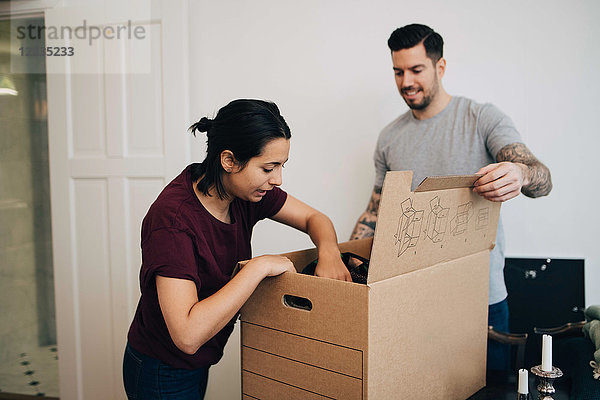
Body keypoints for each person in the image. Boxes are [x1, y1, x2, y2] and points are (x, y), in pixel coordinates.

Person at [349, 24, 552, 371]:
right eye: (398, 72)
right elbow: (375, 211)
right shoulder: (389, 139)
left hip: (480, 300)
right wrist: (347, 262)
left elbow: (541, 178)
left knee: (490, 390)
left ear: (440, 67)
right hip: (411, 299)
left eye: (416, 70)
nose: (406, 82)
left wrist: (520, 173)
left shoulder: (481, 117)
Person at [123, 99, 351, 399]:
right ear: (229, 160)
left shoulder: (244, 193)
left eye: (281, 166)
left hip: (195, 363)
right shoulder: (173, 221)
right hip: (161, 369)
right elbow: (188, 336)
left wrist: (330, 253)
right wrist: (258, 268)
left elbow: (314, 219)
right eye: (268, 167)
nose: (277, 180)